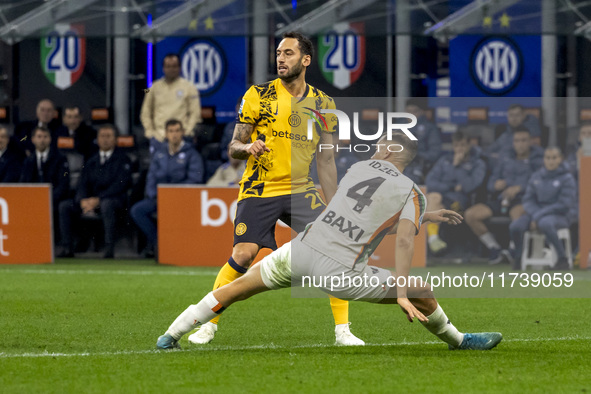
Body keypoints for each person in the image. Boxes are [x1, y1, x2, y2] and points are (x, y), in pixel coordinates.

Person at [156, 133, 502, 351]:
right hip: (339, 273)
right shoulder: (412, 192)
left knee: (236, 289)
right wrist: (401, 288)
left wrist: (423, 217)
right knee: (421, 289)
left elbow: (362, 218)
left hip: (302, 250)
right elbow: (403, 242)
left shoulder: (360, 170)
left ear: (387, 150)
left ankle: (170, 335)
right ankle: (460, 341)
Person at [189, 31, 362, 346]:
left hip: (301, 190)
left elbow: (326, 162)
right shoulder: (259, 95)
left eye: (289, 53)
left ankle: (343, 332)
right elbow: (233, 147)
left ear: (306, 60)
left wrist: (335, 205)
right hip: (261, 188)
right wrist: (248, 147)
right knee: (243, 255)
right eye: (279, 53)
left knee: (333, 248)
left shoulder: (324, 104)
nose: (280, 59)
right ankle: (207, 325)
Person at [464, 127, 543, 264]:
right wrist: (496, 185)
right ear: (513, 143)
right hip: (501, 199)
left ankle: (514, 250)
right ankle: (494, 248)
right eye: (517, 141)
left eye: (524, 140)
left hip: (523, 200)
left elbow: (540, 182)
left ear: (530, 142)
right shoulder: (505, 158)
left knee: (518, 214)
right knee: (471, 215)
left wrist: (520, 187)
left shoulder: (538, 159)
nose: (520, 144)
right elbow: (490, 183)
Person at [130, 119, 204, 258]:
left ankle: (172, 247)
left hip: (182, 200)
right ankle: (158, 243)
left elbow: (195, 180)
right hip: (158, 199)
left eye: (177, 131)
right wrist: (155, 196)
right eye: (171, 131)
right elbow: (151, 178)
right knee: (137, 210)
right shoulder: (159, 154)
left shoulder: (191, 154)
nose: (174, 134)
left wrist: (173, 195)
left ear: (182, 132)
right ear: (166, 134)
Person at [58, 124, 132, 259]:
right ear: (97, 139)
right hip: (91, 201)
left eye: (109, 136)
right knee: (65, 206)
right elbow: (82, 183)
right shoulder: (91, 160)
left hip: (113, 200)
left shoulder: (123, 159)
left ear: (115, 140)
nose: (105, 140)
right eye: (102, 136)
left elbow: (121, 185)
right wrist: (82, 200)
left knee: (106, 204)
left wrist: (98, 199)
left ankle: (109, 248)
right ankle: (67, 247)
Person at [509, 147, 577, 270]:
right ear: (543, 160)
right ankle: (518, 257)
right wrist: (536, 214)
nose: (551, 161)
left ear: (560, 159)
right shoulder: (536, 176)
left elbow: (564, 204)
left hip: (560, 215)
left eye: (554, 158)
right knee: (515, 226)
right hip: (536, 213)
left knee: (545, 223)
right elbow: (528, 200)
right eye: (548, 158)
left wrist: (538, 215)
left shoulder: (567, 178)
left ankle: (562, 259)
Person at [425, 130, 486, 255]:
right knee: (434, 197)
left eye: (463, 145)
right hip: (442, 201)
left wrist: (458, 167)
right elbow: (430, 182)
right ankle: (433, 239)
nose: (459, 149)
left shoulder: (477, 163)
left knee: (434, 201)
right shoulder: (445, 161)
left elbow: (469, 186)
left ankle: (432, 238)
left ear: (469, 145)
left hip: (460, 206)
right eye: (457, 145)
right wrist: (452, 186)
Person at [140, 54, 202, 152]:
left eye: (174, 66)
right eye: (168, 66)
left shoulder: (189, 88)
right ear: (163, 68)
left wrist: (187, 132)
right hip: (159, 138)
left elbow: (195, 114)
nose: (171, 69)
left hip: (182, 138)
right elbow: (146, 113)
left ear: (179, 68)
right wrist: (150, 133)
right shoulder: (154, 87)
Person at [19, 126, 70, 205]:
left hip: (53, 201)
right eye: (39, 137)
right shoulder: (28, 161)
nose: (42, 140)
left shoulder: (60, 159)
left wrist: (47, 198)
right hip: (32, 200)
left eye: (45, 137)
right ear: (33, 140)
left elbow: (63, 185)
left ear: (50, 139)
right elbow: (23, 184)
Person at [402, 98, 442, 184]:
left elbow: (435, 153)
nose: (411, 115)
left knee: (407, 180)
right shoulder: (397, 127)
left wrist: (416, 155)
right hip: (399, 165)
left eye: (414, 111)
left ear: (421, 112)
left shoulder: (430, 128)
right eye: (408, 111)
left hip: (420, 167)